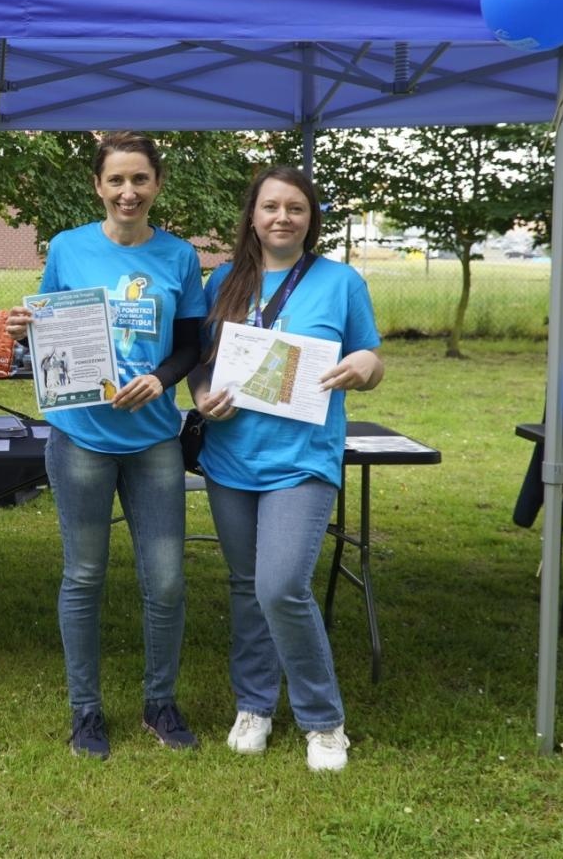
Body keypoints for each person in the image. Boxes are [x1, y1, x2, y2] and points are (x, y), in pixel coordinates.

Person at [5, 131, 204, 760]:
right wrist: (22, 328)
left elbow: (192, 345)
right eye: (116, 180)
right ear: (98, 186)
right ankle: (86, 712)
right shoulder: (68, 249)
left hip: (153, 442)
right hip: (82, 437)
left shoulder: (178, 257)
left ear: (157, 185)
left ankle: (159, 703)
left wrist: (160, 379)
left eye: (140, 179)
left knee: (166, 582)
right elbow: (50, 328)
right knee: (84, 575)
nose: (128, 191)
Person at [187, 166, 383, 772]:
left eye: (294, 208)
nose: (281, 218)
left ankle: (323, 721)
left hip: (302, 461)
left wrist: (362, 367)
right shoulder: (223, 279)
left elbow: (372, 359)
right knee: (247, 588)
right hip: (230, 460)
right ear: (252, 215)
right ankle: (254, 705)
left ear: (310, 217)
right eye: (270, 206)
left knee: (281, 587)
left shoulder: (340, 281)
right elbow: (199, 363)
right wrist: (199, 396)